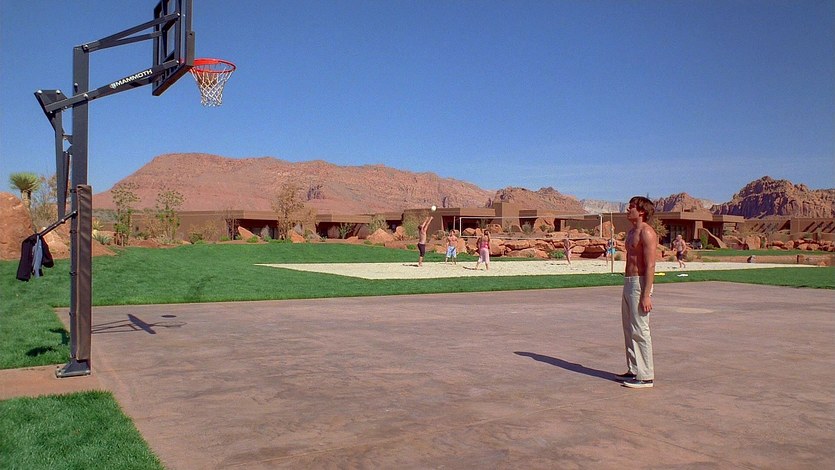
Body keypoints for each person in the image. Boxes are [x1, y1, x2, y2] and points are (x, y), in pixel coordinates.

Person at [618, 195, 658, 389]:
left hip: (640, 283)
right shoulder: (631, 232)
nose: (628, 209)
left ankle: (646, 375)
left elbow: (650, 265)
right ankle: (634, 369)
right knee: (628, 328)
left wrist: (646, 294)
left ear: (641, 211)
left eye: (632, 207)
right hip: (628, 282)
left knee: (640, 329)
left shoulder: (647, 232)